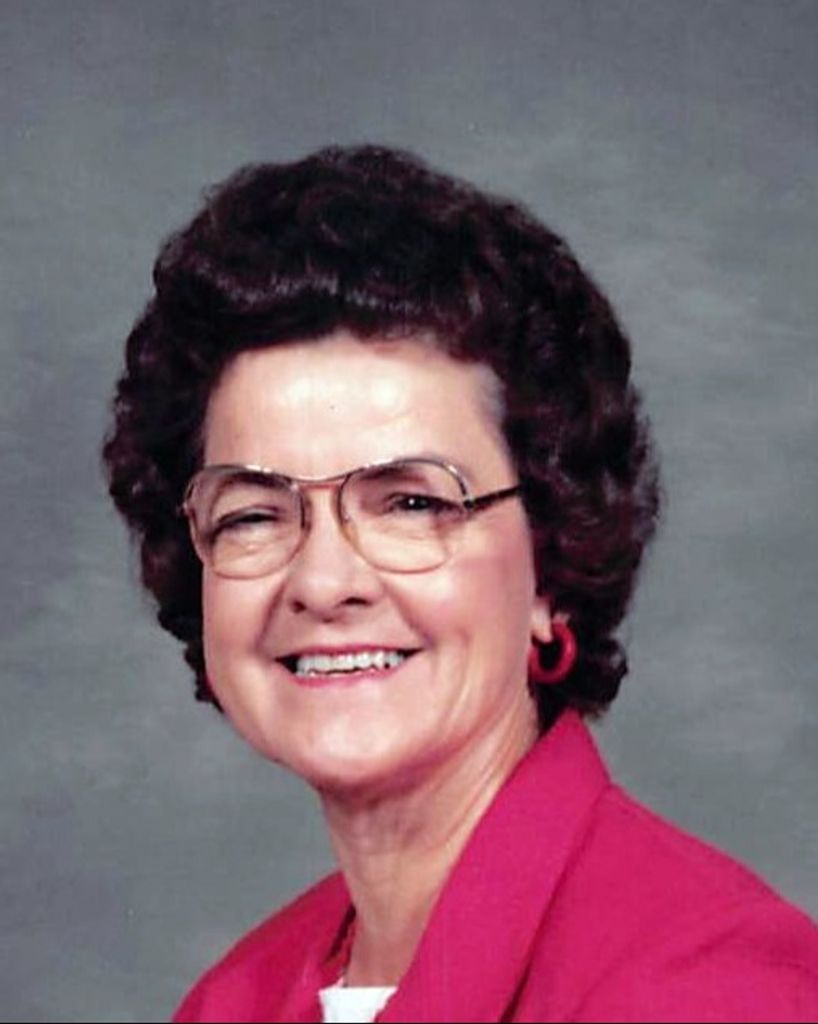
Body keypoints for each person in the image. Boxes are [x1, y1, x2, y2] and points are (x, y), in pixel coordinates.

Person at [103, 145, 818, 1023]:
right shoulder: (234, 1002)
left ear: (552, 564)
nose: (322, 581)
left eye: (411, 503)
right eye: (254, 514)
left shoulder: (711, 987)